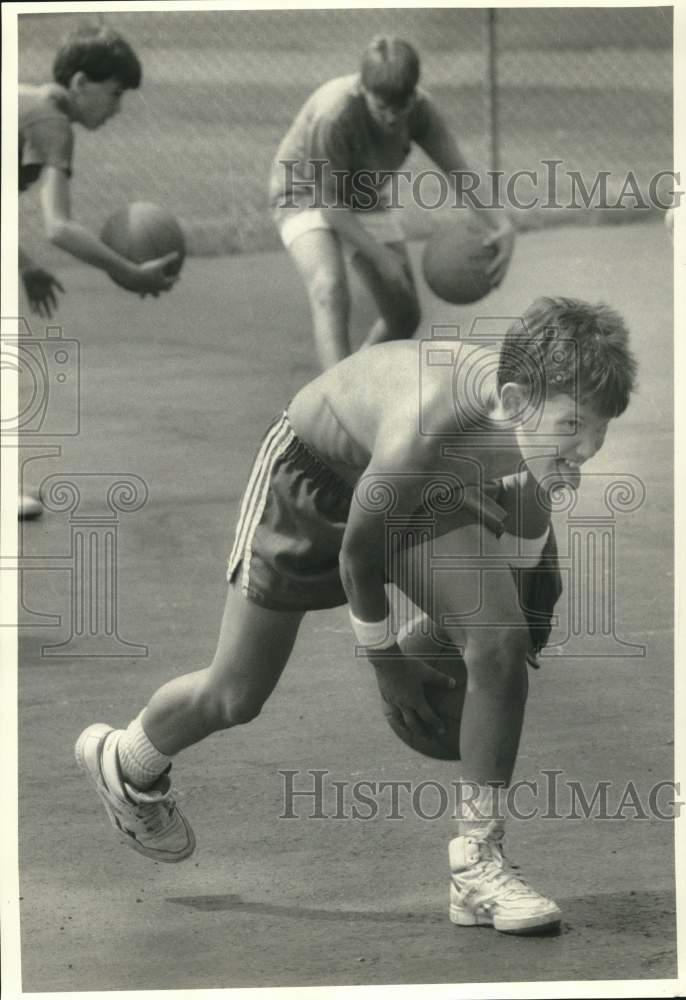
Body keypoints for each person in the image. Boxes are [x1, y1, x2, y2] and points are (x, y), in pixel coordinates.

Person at [76, 297, 636, 935]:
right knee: (236, 694)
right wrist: (389, 665)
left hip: (422, 487)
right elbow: (357, 559)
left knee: (501, 639)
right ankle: (127, 760)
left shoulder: (539, 434)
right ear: (512, 401)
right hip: (312, 480)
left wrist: (499, 634)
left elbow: (527, 540)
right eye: (574, 426)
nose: (588, 447)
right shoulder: (429, 424)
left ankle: (477, 869)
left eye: (600, 428)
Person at [268, 35, 515, 371]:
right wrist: (379, 255)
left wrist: (502, 225)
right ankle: (334, 401)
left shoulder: (421, 111)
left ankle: (353, 377)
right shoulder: (334, 113)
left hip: (362, 195)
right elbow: (329, 205)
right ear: (362, 90)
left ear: (413, 94)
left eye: (400, 108)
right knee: (328, 286)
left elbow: (458, 171)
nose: (390, 118)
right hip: (304, 190)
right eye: (380, 107)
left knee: (404, 314)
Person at [18, 23, 180, 519]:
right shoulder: (52, 122)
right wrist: (130, 274)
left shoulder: (28, 103)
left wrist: (23, 266)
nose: (116, 108)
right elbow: (60, 227)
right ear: (81, 83)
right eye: (113, 94)